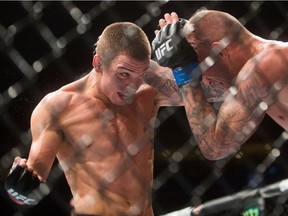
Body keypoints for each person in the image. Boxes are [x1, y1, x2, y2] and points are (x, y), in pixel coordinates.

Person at [4, 22, 183, 216]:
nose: (133, 85)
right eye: (124, 74)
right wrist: (19, 189)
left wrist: (185, 57)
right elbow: (32, 180)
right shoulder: (58, 107)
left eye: (140, 74)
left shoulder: (147, 90)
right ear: (98, 63)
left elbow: (208, 93)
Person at [152, 10, 288, 161]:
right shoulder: (256, 76)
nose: (206, 81)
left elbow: (215, 147)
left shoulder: (266, 65)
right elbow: (172, 89)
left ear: (219, 51)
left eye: (202, 70)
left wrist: (184, 72)